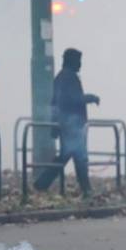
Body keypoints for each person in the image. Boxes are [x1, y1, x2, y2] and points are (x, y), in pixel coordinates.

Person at [34, 48, 100, 197]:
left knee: (69, 157)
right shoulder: (69, 77)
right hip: (71, 125)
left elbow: (54, 103)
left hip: (67, 124)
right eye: (78, 61)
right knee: (79, 157)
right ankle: (86, 189)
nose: (80, 64)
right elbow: (73, 99)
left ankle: (42, 184)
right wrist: (90, 97)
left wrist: (55, 125)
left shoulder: (60, 77)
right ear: (71, 61)